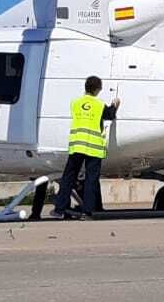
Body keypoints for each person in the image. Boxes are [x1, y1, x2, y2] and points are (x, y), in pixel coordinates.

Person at [49, 76, 119, 219]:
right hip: (94, 148)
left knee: (68, 178)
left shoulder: (75, 103)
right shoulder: (99, 105)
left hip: (77, 145)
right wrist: (115, 105)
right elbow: (110, 115)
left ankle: (59, 209)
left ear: (85, 87)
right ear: (98, 89)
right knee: (90, 180)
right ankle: (87, 212)